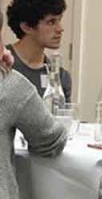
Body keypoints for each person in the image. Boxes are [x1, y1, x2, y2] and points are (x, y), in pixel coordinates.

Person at [0, 10, 67, 199]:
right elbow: (51, 140)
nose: (60, 29)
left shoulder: (61, 75)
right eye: (51, 22)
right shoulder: (11, 83)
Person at [6, 0, 72, 101]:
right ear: (26, 27)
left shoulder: (59, 77)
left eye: (59, 20)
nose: (60, 29)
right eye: (51, 22)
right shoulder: (4, 64)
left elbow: (62, 118)